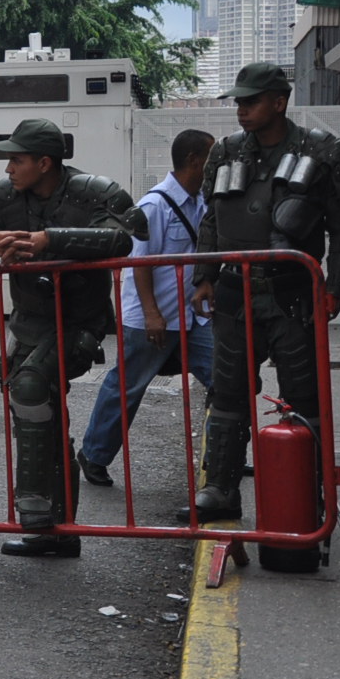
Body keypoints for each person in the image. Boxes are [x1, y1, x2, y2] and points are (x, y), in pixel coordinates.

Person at [0, 118, 145, 557]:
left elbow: (120, 239)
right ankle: (55, 529)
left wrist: (48, 240)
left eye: (17, 160)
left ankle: (46, 521)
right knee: (37, 413)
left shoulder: (95, 191)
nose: (8, 169)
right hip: (29, 322)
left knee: (31, 390)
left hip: (78, 321)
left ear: (44, 163)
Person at [188, 62, 340, 521]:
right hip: (233, 292)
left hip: (292, 296)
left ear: (279, 102)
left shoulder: (324, 151)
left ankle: (309, 489)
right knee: (227, 395)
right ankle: (221, 489)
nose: (241, 110)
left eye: (251, 101)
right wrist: (202, 277)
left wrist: (335, 288)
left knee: (303, 398)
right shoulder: (224, 152)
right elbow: (211, 218)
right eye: (239, 102)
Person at [74, 129, 216, 488]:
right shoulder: (155, 205)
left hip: (192, 317)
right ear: (194, 160)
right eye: (212, 157)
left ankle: (222, 456)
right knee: (128, 387)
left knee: (227, 379)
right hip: (153, 318)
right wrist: (153, 313)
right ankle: (94, 454)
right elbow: (141, 264)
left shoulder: (200, 201)